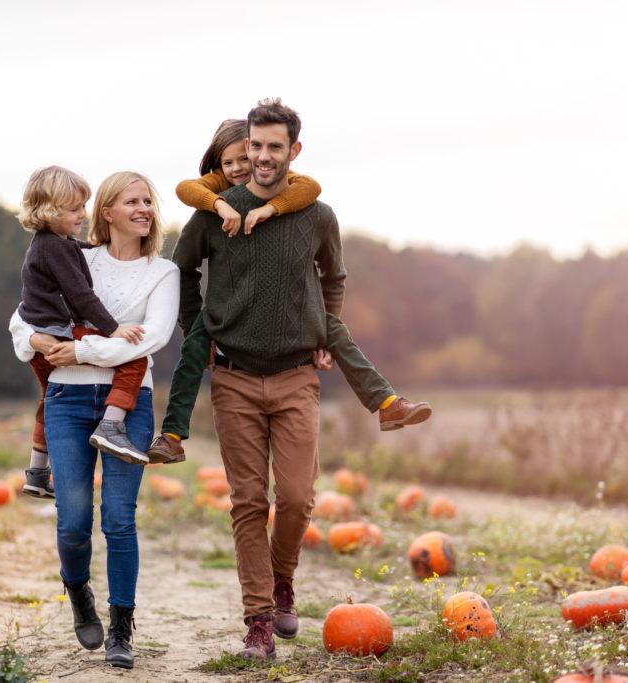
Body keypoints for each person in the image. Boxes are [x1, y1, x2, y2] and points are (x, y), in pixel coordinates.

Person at [174, 98, 396, 661]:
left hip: (297, 377)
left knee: (296, 499)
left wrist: (326, 330)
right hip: (234, 379)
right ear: (245, 147)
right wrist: (195, 330)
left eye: (276, 146)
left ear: (293, 151)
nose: (264, 156)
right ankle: (258, 624)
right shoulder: (216, 211)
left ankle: (282, 579)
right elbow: (181, 271)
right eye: (256, 145)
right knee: (249, 502)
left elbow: (333, 277)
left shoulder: (316, 215)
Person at [147, 119, 431, 465]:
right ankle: (173, 435)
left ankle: (387, 404)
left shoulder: (296, 193)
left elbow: (311, 188)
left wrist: (270, 208)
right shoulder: (216, 191)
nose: (238, 168)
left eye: (245, 158)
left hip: (298, 328)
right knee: (192, 349)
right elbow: (185, 193)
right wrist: (193, 323)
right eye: (228, 162)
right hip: (225, 320)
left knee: (336, 332)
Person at [9, 171, 179, 669]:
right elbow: (23, 315)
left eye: (149, 201)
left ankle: (122, 627)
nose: (145, 209)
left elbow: (151, 338)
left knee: (120, 521)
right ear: (107, 211)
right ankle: (78, 589)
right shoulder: (73, 252)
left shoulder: (161, 273)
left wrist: (79, 348)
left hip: (131, 403)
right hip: (67, 398)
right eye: (133, 201)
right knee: (75, 521)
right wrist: (35, 342)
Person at [15, 166, 151, 500]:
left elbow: (77, 250)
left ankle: (36, 473)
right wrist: (113, 329)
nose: (83, 214)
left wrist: (95, 250)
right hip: (56, 334)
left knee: (49, 400)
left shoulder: (52, 244)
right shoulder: (55, 248)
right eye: (75, 208)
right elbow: (80, 296)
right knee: (135, 360)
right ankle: (111, 425)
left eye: (84, 206)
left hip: (41, 333)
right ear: (51, 210)